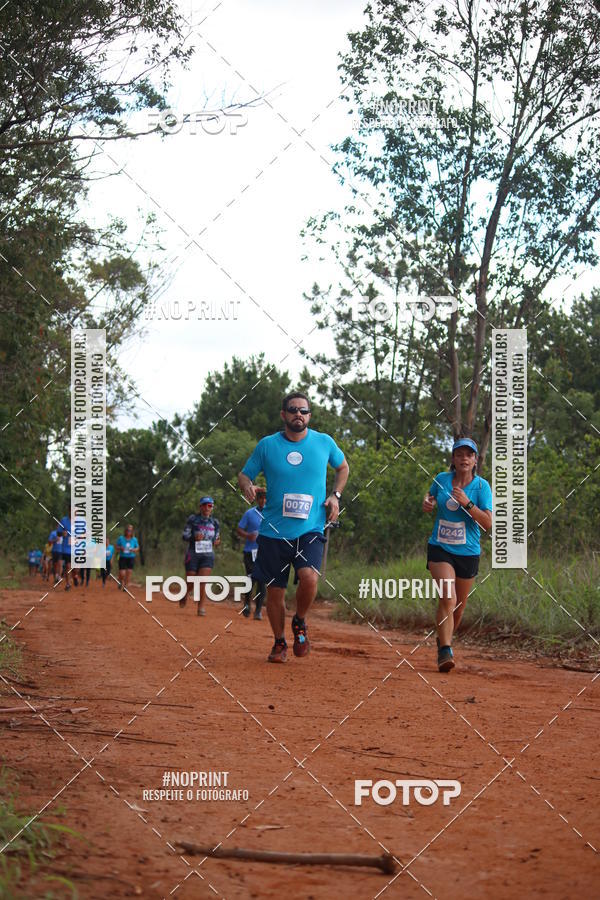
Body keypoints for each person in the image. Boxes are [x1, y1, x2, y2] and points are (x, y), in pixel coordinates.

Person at [238, 391, 349, 663]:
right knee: (275, 593)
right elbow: (244, 474)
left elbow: (343, 467)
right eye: (293, 409)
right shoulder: (267, 445)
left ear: (309, 416)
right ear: (284, 414)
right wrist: (247, 486)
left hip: (310, 527)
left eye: (304, 411)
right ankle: (279, 643)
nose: (299, 414)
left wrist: (335, 496)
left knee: (310, 577)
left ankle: (299, 621)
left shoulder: (324, 442)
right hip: (273, 531)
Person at [423, 437, 493, 673]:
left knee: (459, 608)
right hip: (440, 548)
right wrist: (428, 502)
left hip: (468, 552)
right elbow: (430, 496)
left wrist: (468, 504)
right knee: (448, 598)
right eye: (459, 454)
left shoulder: (482, 487)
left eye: (469, 455)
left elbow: (488, 523)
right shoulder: (441, 479)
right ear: (453, 459)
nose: (464, 458)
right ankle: (445, 651)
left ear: (475, 460)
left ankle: (444, 640)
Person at [181, 497, 220, 616]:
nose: (207, 508)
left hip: (207, 555)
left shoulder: (215, 522)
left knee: (202, 581)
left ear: (212, 508)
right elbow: (184, 536)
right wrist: (194, 537)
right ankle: (185, 594)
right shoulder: (193, 519)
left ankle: (201, 607)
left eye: (210, 506)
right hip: (193, 553)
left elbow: (216, 538)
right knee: (192, 580)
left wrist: (217, 542)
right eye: (205, 505)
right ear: (200, 507)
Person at [237, 488, 267, 620]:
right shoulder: (249, 513)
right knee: (250, 579)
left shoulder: (271, 514)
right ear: (257, 499)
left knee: (262, 581)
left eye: (265, 498)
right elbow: (239, 529)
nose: (263, 501)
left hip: (265, 552)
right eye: (261, 498)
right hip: (250, 552)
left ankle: (258, 610)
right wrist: (248, 535)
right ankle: (247, 604)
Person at [116, 524, 139, 591]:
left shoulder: (134, 539)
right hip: (122, 557)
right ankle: (120, 581)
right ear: (125, 531)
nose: (129, 532)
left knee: (129, 572)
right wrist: (121, 548)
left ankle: (125, 586)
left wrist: (134, 550)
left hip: (131, 557)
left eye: (131, 530)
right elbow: (117, 546)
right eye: (128, 530)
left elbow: (137, 548)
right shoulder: (121, 538)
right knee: (122, 573)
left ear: (132, 532)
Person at [58, 514, 73, 591]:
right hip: (67, 548)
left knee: (76, 568)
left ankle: (75, 576)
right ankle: (68, 583)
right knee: (68, 565)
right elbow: (58, 533)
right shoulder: (64, 520)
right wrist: (62, 533)